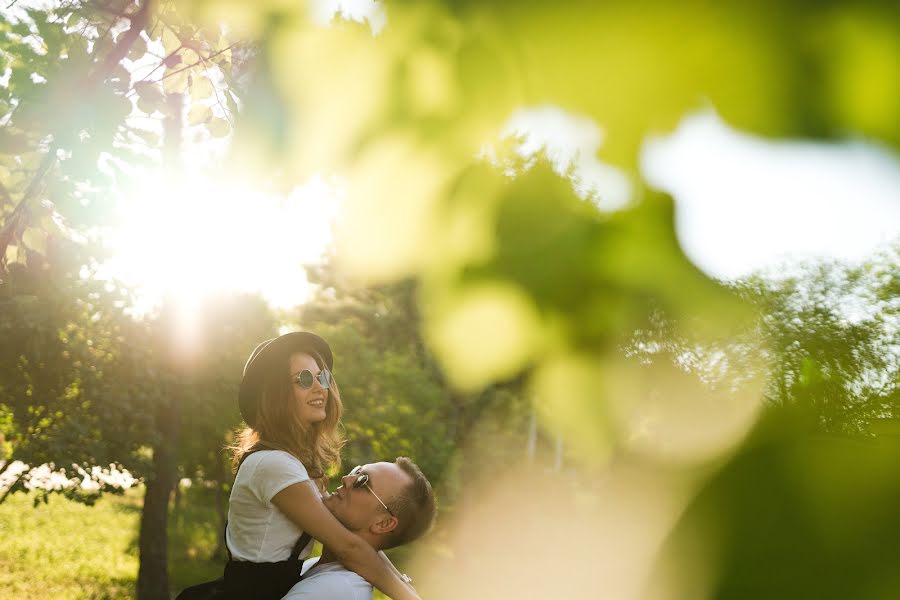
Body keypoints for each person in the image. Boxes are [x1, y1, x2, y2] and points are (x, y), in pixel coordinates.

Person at [178, 332, 421, 600]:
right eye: (304, 379)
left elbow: (356, 543)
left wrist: (405, 584)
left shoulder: (293, 463)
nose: (320, 388)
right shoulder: (273, 464)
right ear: (276, 394)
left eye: (323, 377)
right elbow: (348, 546)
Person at [283, 457, 437, 600]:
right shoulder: (322, 567)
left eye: (363, 481)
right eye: (357, 471)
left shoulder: (337, 588)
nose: (346, 479)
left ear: (383, 523)